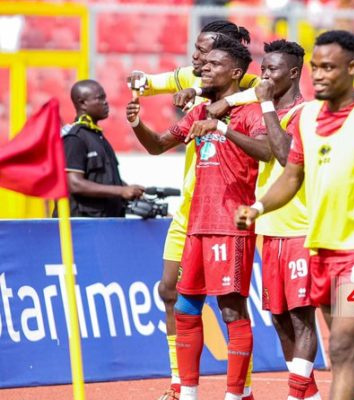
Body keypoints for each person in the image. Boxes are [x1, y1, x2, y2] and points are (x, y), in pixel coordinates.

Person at [235, 30, 354, 400]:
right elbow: (292, 176)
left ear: (352, 67)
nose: (320, 75)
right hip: (321, 252)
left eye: (329, 67)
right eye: (315, 68)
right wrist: (258, 208)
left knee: (340, 347)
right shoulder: (307, 118)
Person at [126, 35, 266, 400]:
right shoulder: (199, 111)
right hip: (196, 223)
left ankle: (237, 394)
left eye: (213, 65)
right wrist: (137, 123)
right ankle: (186, 391)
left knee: (232, 309)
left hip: (230, 225)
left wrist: (223, 127)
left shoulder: (251, 111)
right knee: (185, 304)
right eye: (203, 65)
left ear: (236, 72)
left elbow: (269, 151)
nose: (203, 69)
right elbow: (158, 145)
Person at [246, 40, 322, 400]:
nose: (264, 76)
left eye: (272, 70)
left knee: (300, 316)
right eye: (262, 69)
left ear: (293, 73)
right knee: (278, 317)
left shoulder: (307, 113)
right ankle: (308, 395)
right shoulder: (268, 111)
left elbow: (283, 155)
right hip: (271, 228)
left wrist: (263, 105)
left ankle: (295, 395)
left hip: (301, 229)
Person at [60, 79, 144, 217]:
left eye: (105, 98)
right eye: (100, 98)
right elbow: (74, 183)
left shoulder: (97, 136)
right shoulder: (75, 138)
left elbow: (106, 179)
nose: (106, 102)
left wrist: (131, 190)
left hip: (105, 224)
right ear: (82, 103)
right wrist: (121, 191)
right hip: (83, 227)